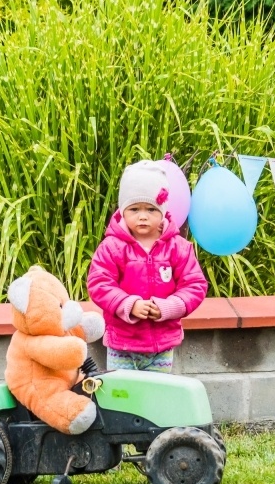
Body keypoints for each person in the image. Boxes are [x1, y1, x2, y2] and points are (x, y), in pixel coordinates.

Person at [87, 159, 208, 373]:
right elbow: (99, 283)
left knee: (156, 398)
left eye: (151, 209)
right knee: (122, 397)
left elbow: (195, 285)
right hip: (122, 344)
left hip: (162, 346)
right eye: (134, 209)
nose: (143, 216)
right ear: (123, 211)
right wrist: (128, 304)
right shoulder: (112, 247)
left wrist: (168, 307)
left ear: (162, 210)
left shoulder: (177, 247)